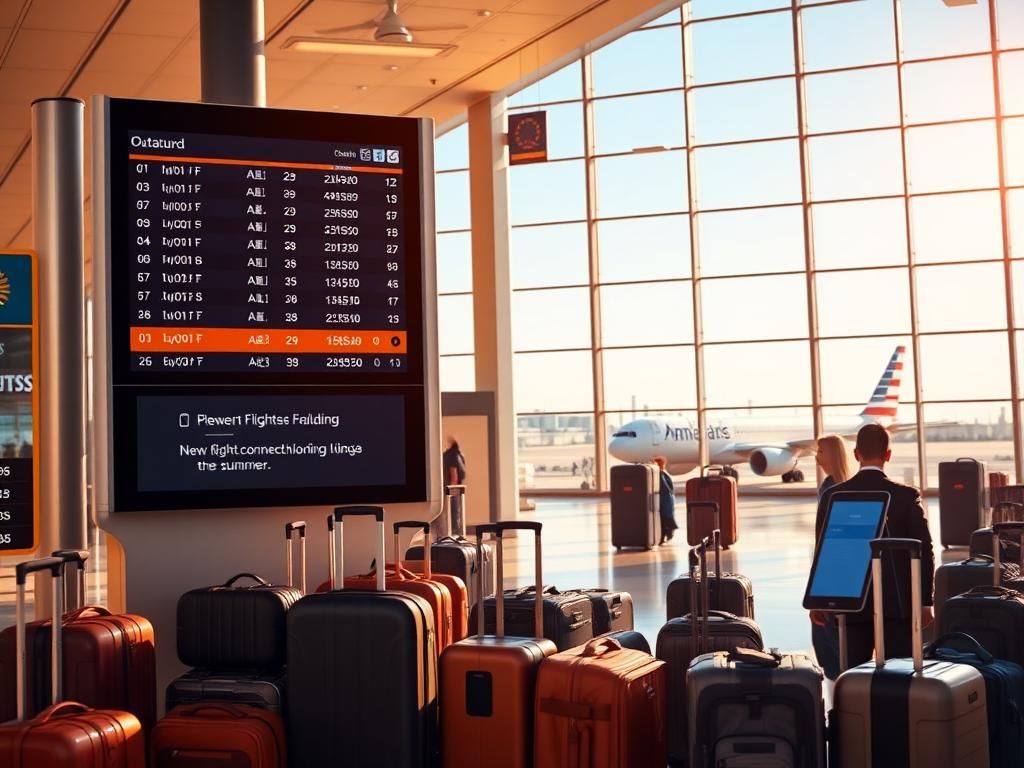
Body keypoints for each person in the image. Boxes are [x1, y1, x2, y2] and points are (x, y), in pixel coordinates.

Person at [809, 423, 935, 669]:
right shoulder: (906, 496)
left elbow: (824, 550)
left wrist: (818, 599)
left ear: (856, 454)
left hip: (850, 602)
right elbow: (924, 550)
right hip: (898, 605)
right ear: (888, 455)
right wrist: (925, 601)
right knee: (900, 673)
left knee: (852, 672)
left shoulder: (833, 495)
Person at [810, 434, 853, 680]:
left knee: (826, 633)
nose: (817, 457)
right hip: (844, 569)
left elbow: (825, 538)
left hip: (831, 570)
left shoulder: (830, 488)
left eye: (821, 452)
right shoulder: (841, 484)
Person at [442, 437, 467, 532]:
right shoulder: (458, 455)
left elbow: (454, 474)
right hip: (456, 490)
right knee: (456, 514)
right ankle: (456, 533)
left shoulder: (451, 455)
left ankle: (453, 535)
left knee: (452, 514)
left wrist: (451, 491)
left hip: (452, 490)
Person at [653, 456, 679, 544]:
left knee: (663, 519)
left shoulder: (660, 475)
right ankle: (666, 534)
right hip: (666, 501)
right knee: (665, 519)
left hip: (664, 501)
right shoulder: (663, 475)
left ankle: (665, 534)